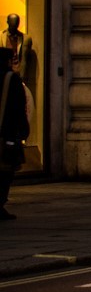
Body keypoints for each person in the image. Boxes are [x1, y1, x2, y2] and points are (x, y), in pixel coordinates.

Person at [0, 47, 30, 219]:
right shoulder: (11, 79)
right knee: (5, 171)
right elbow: (18, 108)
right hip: (6, 133)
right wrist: (23, 130)